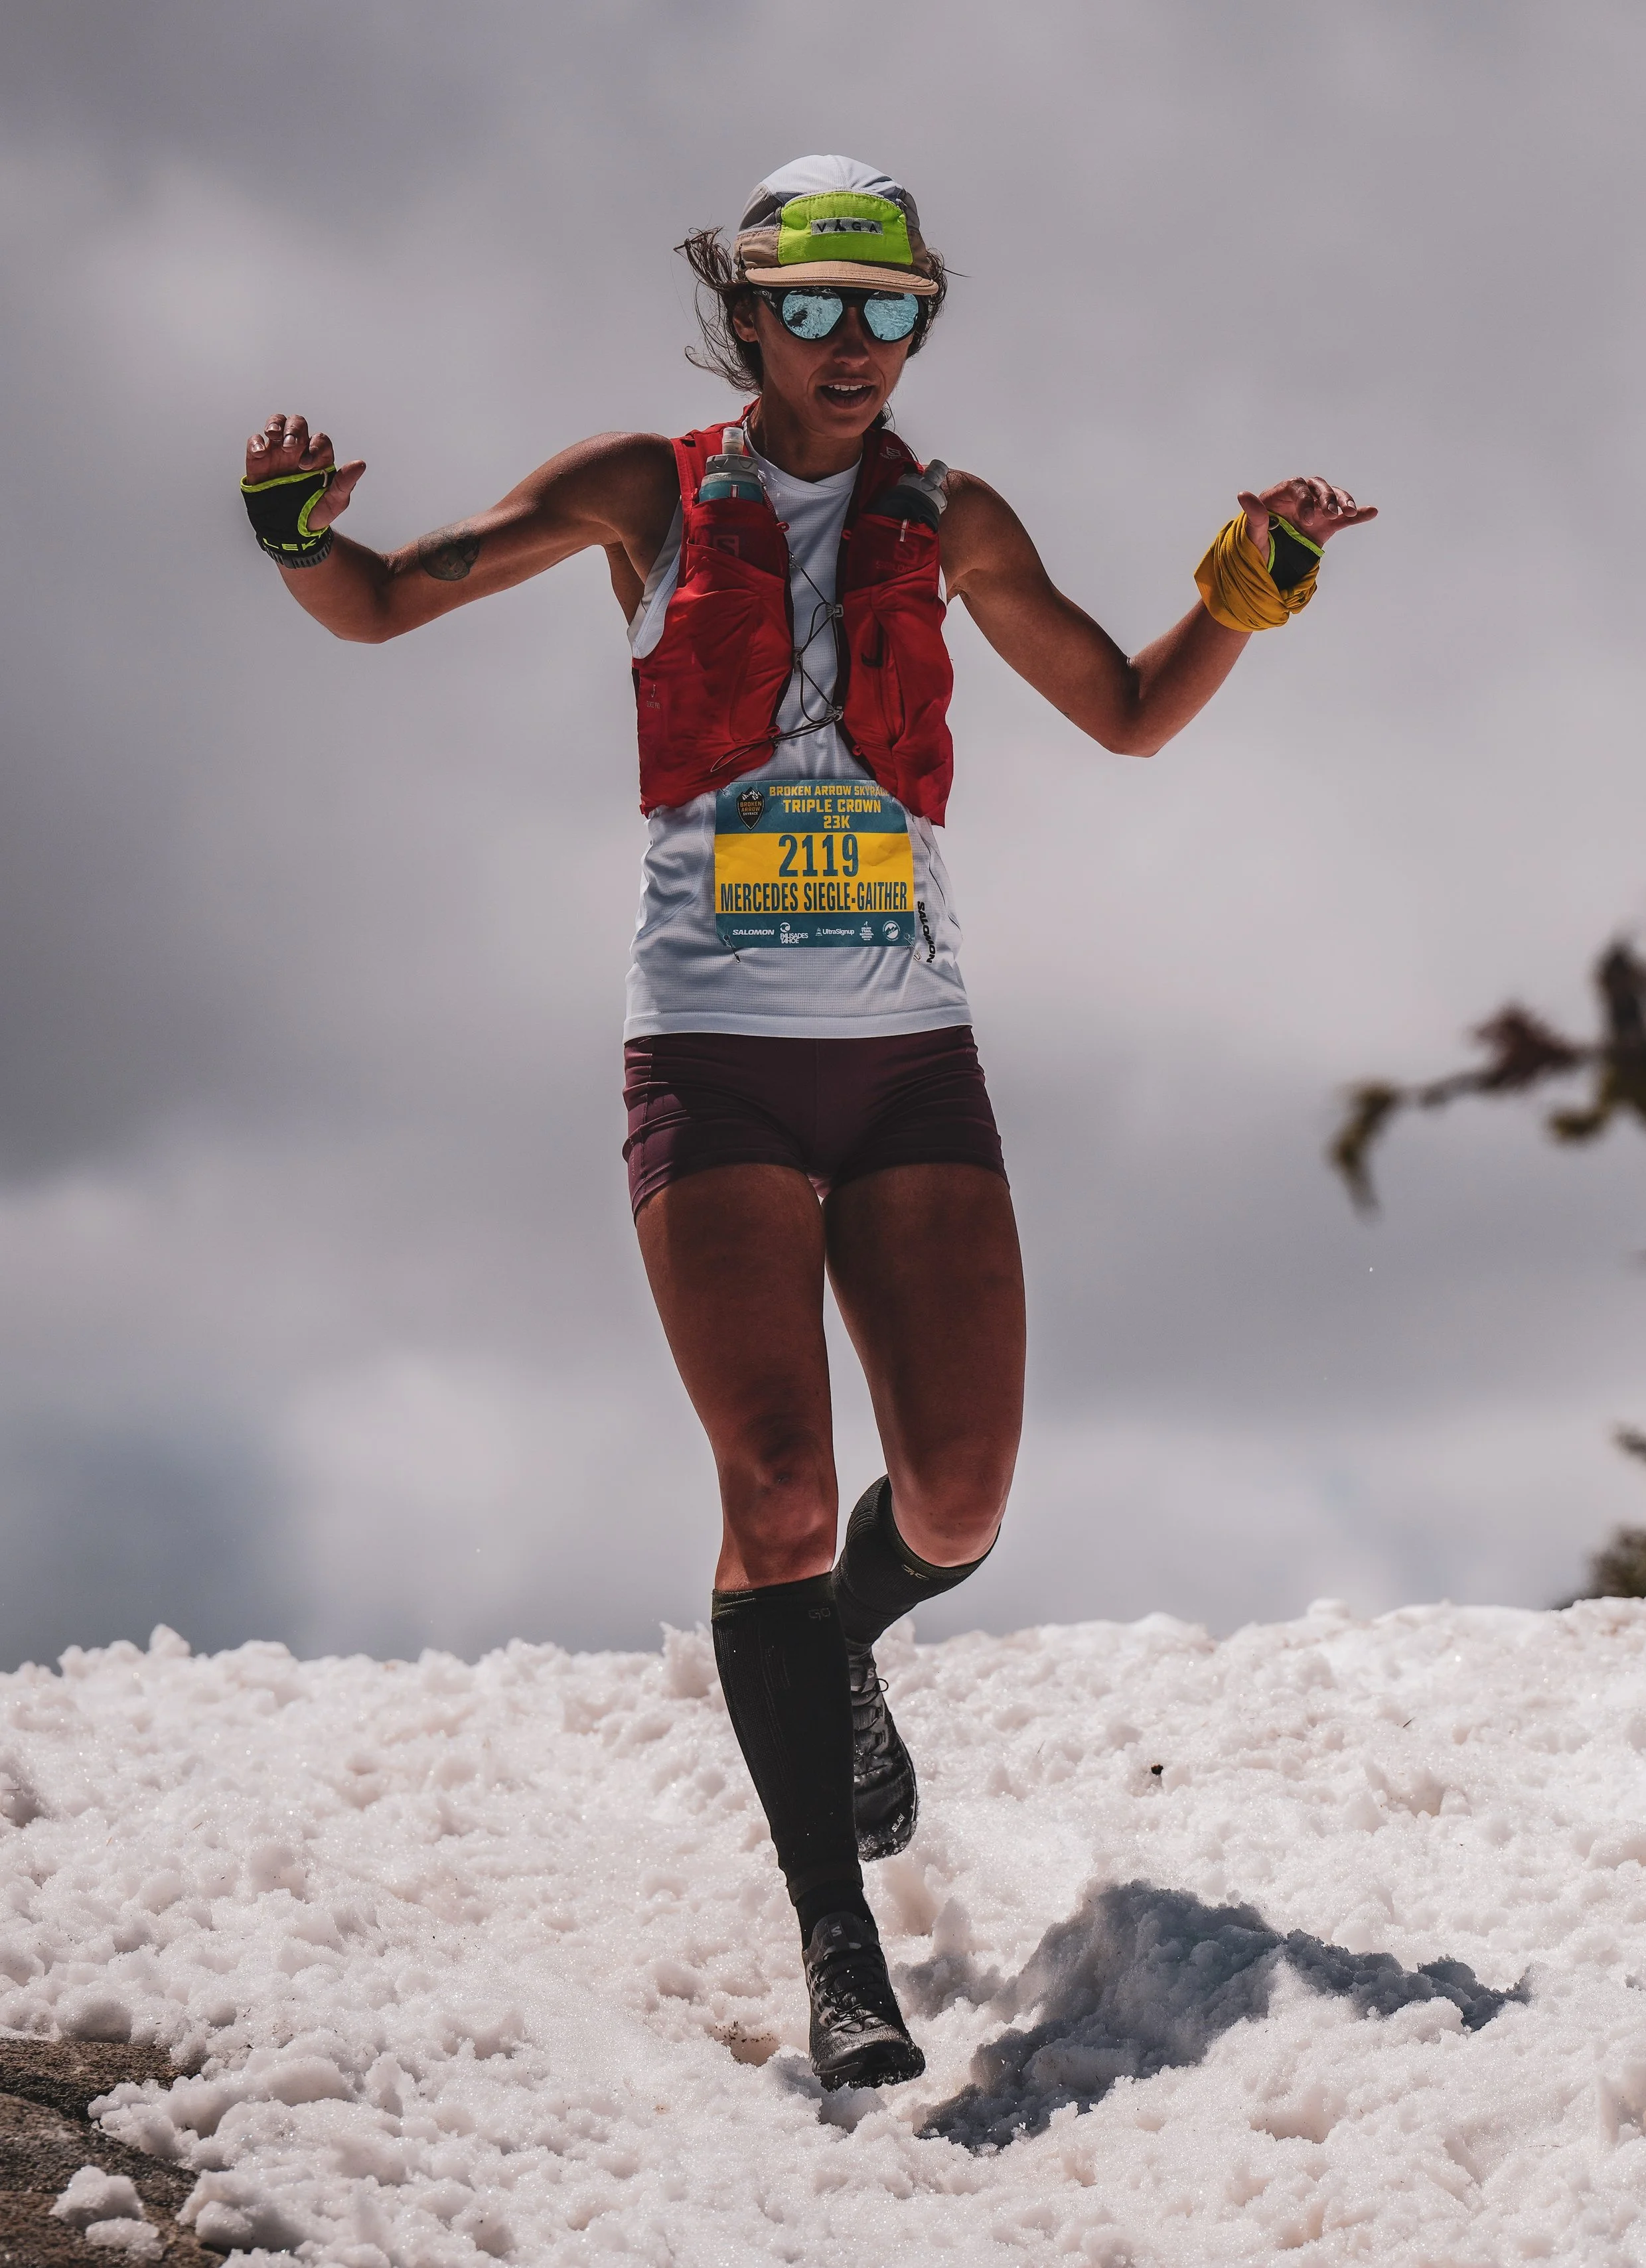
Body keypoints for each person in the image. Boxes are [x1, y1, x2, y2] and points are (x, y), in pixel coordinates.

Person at [239, 154, 1375, 2091]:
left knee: (956, 1501)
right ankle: (836, 1950)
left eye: (892, 312)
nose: (855, 350)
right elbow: (382, 605)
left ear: (920, 320)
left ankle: (835, 1645)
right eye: (818, 310)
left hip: (910, 1052)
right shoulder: (641, 490)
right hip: (714, 1052)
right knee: (768, 1489)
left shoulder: (952, 515)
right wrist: (291, 536)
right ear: (748, 312)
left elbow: (1119, 710)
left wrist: (1248, 586)